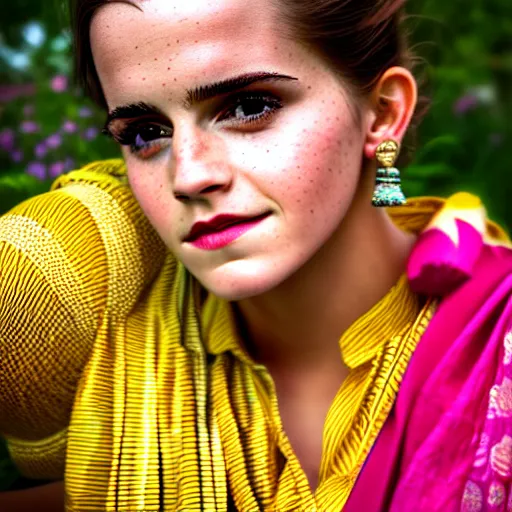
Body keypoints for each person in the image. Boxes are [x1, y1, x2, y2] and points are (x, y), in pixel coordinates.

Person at [0, 0, 511, 510]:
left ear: (382, 113)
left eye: (248, 108)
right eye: (146, 134)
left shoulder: (495, 337)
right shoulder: (116, 333)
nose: (189, 176)